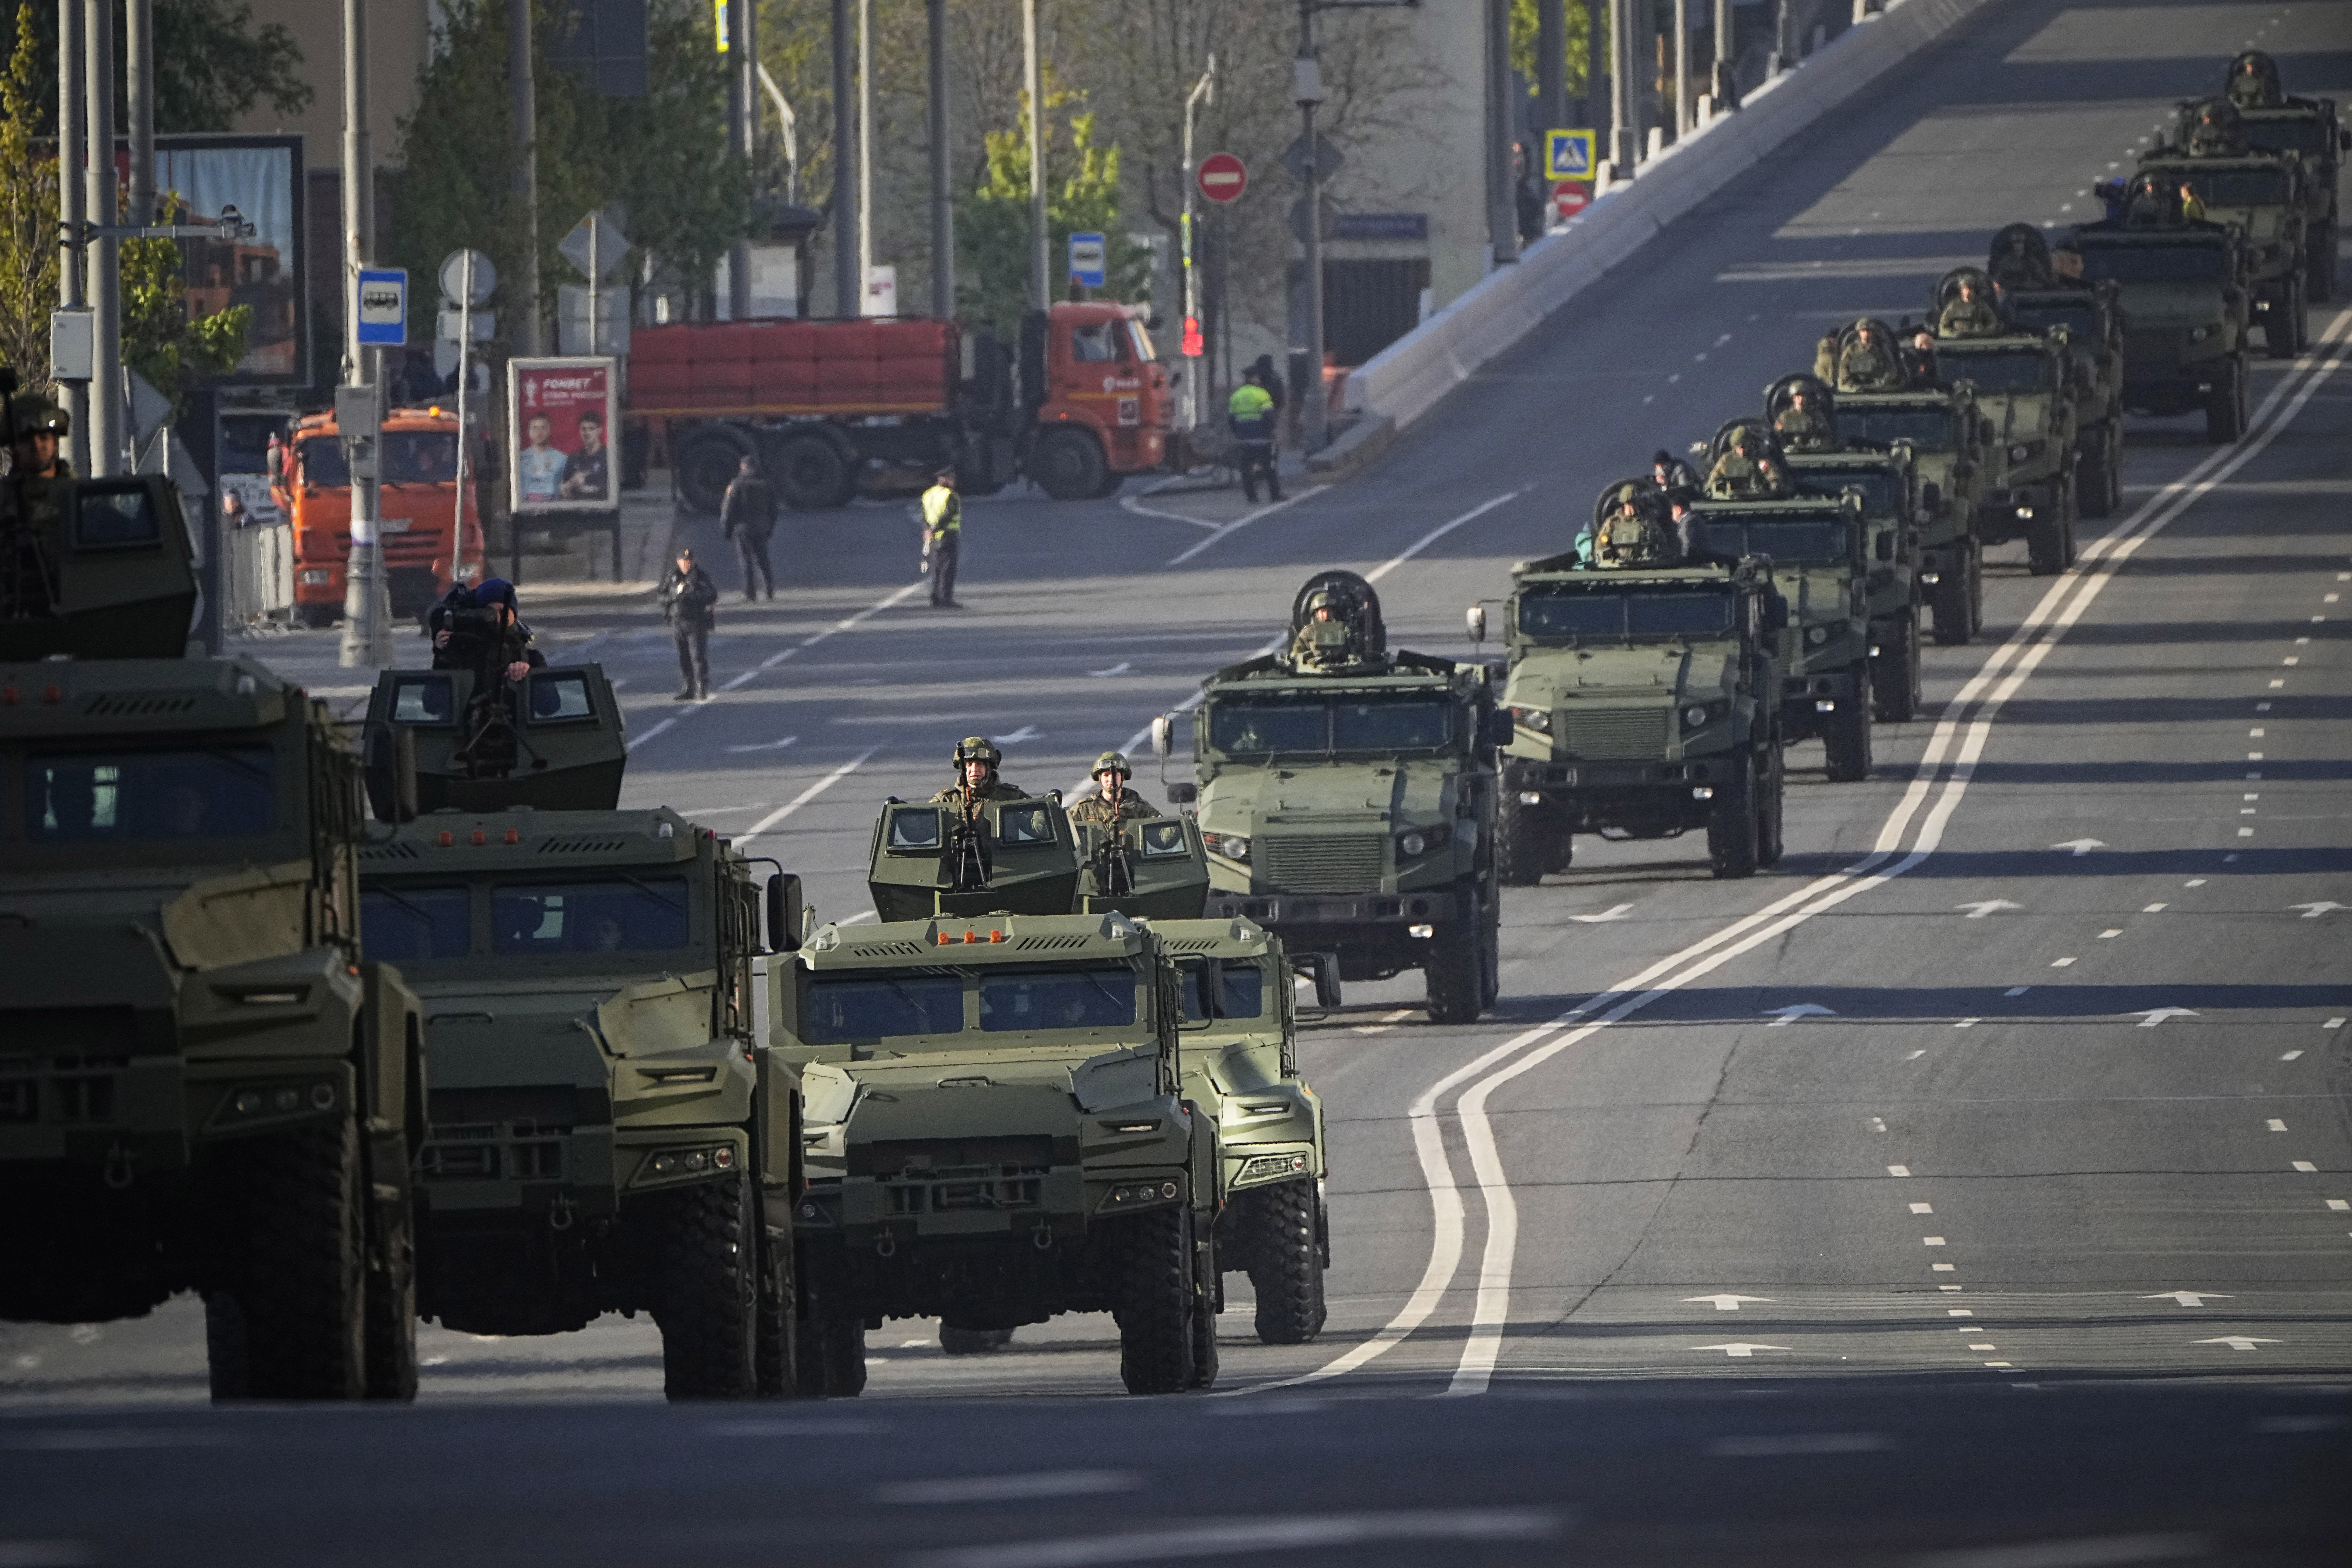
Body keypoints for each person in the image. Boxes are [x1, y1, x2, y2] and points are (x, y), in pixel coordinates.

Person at [5, 402, 73, 615]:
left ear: (55, 442)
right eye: (26, 440)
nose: (37, 445)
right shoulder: (4, 500)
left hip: (73, 617)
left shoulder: (79, 498)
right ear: (12, 448)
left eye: (44, 437)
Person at [429, 577, 539, 686]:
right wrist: (442, 653)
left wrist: (529, 674)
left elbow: (549, 700)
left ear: (514, 615)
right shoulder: (465, 648)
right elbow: (438, 694)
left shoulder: (531, 657)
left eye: (504, 611)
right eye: (489, 612)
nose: (498, 618)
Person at [659, 547, 719, 701]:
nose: (687, 565)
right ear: (678, 562)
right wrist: (675, 595)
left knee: (697, 656)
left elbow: (712, 596)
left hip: (696, 622)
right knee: (683, 657)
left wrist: (691, 594)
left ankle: (701, 686)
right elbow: (661, 597)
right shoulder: (672, 577)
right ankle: (688, 687)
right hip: (677, 623)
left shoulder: (701, 578)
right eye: (684, 562)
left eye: (690, 561)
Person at [720, 454, 777, 600]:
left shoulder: (736, 485)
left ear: (743, 467)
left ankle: (750, 594)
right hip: (762, 528)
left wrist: (726, 529)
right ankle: (769, 590)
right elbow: (774, 510)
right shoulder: (767, 484)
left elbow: (728, 509)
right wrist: (770, 527)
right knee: (763, 559)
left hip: (743, 529)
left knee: (746, 561)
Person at [1228, 369, 1281, 505]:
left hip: (1245, 439)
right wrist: (1273, 431)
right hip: (1262, 438)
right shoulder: (1261, 394)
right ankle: (1275, 495)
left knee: (1246, 468)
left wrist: (1238, 434)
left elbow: (1232, 420)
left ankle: (1252, 498)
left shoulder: (1236, 396)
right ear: (1255, 378)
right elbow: (1269, 416)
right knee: (1269, 466)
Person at [1069, 751, 1162, 826]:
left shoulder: (1140, 808)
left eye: (1116, 775)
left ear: (1123, 777)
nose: (1111, 780)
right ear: (1100, 779)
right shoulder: (1083, 810)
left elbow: (1163, 837)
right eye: (1106, 775)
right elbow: (1063, 834)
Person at [931, 736, 1030, 806]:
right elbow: (921, 830)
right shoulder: (946, 800)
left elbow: (1037, 829)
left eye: (980, 765)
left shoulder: (1012, 798)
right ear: (963, 768)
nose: (974, 770)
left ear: (989, 768)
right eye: (969, 765)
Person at [1705, 430, 1790, 501]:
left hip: (1757, 496)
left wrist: (1775, 485)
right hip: (1732, 497)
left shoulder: (1758, 459)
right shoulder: (1726, 460)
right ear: (1735, 447)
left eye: (1745, 447)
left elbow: (1771, 473)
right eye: (1740, 448)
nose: (1742, 451)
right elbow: (1716, 474)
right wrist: (1709, 487)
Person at [919, 467, 961, 608]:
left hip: (932, 538)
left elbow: (924, 515)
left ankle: (936, 597)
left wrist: (928, 530)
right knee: (947, 569)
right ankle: (945, 599)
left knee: (936, 568)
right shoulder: (950, 495)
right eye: (952, 479)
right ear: (944, 479)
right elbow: (947, 516)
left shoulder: (928, 494)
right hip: (947, 536)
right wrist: (935, 529)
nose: (954, 482)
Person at [1288, 591, 1354, 668]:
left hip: (1342, 670)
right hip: (1316, 673)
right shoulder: (1308, 633)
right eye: (1322, 612)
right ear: (1316, 613)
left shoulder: (1344, 630)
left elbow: (1355, 653)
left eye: (1328, 611)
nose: (1326, 615)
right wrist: (1311, 659)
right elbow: (1296, 655)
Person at [1836, 321, 1904, 392]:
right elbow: (1843, 368)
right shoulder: (1851, 349)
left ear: (1872, 333)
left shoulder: (1881, 350)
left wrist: (1884, 381)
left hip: (1878, 389)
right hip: (1855, 390)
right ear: (1859, 333)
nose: (1866, 333)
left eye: (1868, 331)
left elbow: (1891, 369)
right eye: (1863, 331)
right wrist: (1850, 384)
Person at [557, 412, 610, 502]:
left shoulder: (608, 457)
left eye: (592, 429)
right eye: (584, 429)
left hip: (601, 510)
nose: (587, 433)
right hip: (577, 510)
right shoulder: (574, 458)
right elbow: (562, 492)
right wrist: (572, 484)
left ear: (600, 430)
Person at [516, 412, 565, 504]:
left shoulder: (561, 459)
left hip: (553, 508)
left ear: (550, 431)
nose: (539, 433)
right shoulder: (519, 459)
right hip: (526, 508)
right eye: (535, 428)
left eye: (543, 428)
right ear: (529, 432)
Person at [1937, 276, 2004, 339]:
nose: (1968, 292)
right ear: (1961, 290)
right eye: (1965, 289)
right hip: (1957, 343)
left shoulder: (1981, 305)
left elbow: (1993, 323)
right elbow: (1943, 327)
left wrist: (1983, 333)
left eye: (1970, 289)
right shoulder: (1953, 306)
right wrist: (1954, 335)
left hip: (1979, 342)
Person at [1772, 385, 1834, 451]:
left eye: (1803, 396)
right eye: (1798, 396)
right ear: (1794, 398)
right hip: (1790, 453)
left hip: (1813, 453)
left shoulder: (1816, 416)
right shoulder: (1784, 417)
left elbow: (1827, 436)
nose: (1801, 399)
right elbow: (1777, 437)